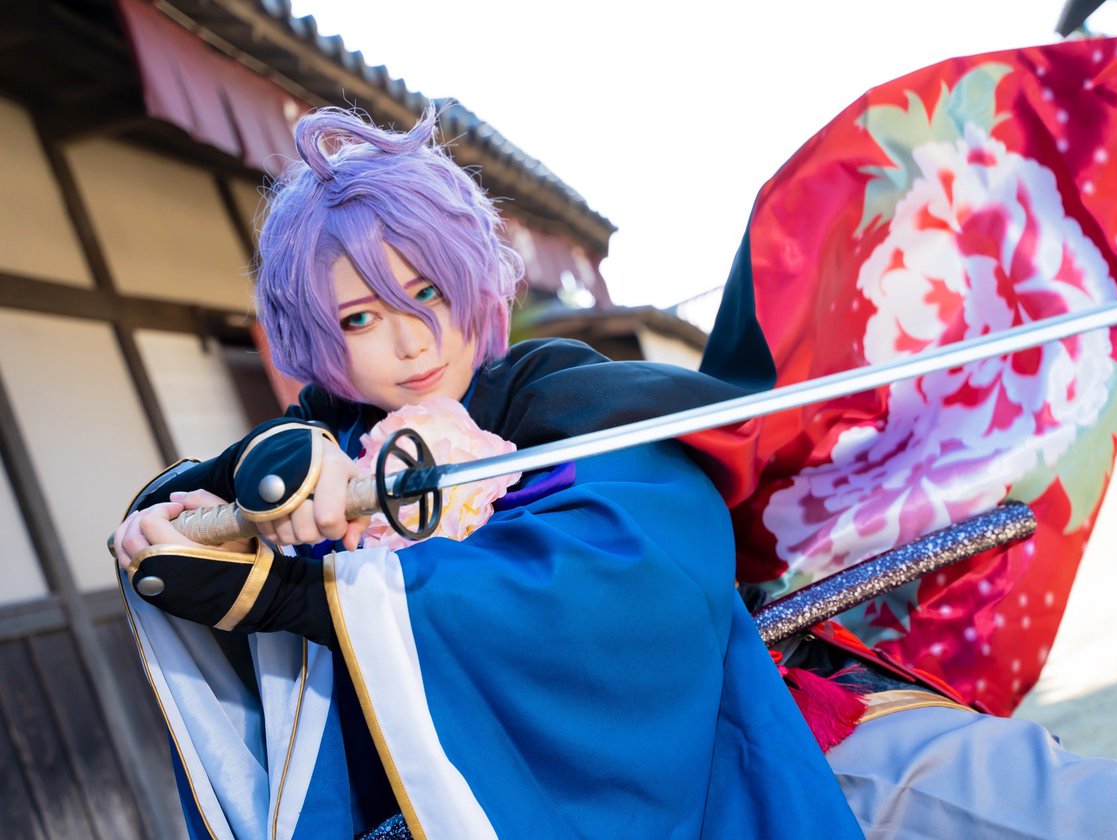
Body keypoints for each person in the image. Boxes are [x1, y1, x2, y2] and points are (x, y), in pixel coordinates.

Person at [111, 107, 862, 840]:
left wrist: (311, 598)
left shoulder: (561, 396)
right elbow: (177, 523)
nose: (412, 343)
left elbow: (636, 576)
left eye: (427, 293)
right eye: (359, 319)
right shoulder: (320, 441)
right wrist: (216, 507)